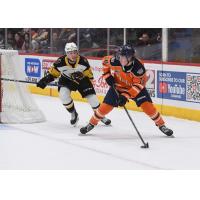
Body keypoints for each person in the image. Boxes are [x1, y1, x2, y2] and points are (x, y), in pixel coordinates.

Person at [80, 44, 173, 136]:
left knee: (148, 107)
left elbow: (138, 86)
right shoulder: (114, 60)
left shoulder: (139, 67)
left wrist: (125, 96)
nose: (121, 59)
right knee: (104, 108)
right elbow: (104, 61)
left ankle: (161, 125)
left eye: (124, 57)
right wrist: (107, 76)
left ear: (131, 57)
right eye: (120, 56)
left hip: (135, 88)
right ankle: (91, 124)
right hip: (117, 87)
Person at [37, 42, 111, 126]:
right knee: (63, 96)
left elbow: (89, 75)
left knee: (93, 98)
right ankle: (73, 113)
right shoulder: (60, 62)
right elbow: (53, 74)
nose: (73, 55)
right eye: (70, 53)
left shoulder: (83, 61)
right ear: (66, 53)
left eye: (75, 52)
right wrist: (44, 80)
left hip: (82, 80)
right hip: (66, 80)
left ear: (77, 52)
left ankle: (100, 116)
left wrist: (82, 75)